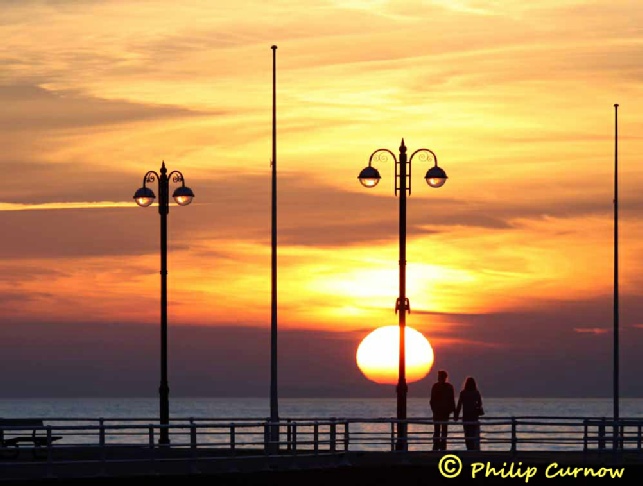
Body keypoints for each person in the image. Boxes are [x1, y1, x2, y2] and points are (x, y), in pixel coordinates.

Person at [454, 376, 484, 450]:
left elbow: (459, 405)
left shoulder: (463, 393)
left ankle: (469, 448)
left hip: (466, 417)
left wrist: (456, 415)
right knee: (474, 434)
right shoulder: (476, 393)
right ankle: (474, 448)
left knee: (467, 435)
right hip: (474, 417)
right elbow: (480, 404)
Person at [430, 369, 456, 451]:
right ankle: (441, 447)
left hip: (440, 412)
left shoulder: (436, 386)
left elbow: (432, 400)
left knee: (438, 430)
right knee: (442, 430)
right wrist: (454, 411)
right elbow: (452, 401)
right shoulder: (448, 387)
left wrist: (434, 409)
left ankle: (437, 447)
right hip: (443, 412)